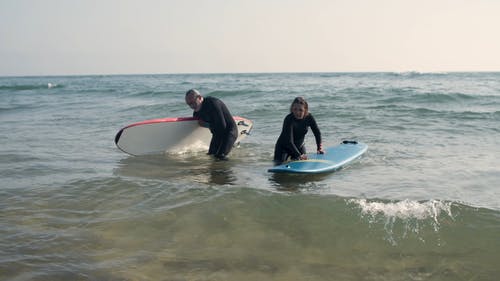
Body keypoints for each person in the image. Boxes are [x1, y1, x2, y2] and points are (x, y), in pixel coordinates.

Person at [185, 89, 237, 160]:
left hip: (229, 132)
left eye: (192, 103)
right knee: (211, 156)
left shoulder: (212, 103)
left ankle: (226, 170)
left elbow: (222, 126)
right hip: (217, 135)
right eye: (188, 104)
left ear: (199, 98)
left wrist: (206, 124)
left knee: (220, 157)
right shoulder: (197, 113)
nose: (191, 106)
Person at [273, 97, 324, 165]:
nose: (297, 112)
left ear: (305, 110)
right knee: (278, 167)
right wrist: (299, 155)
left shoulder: (309, 118)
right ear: (292, 109)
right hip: (283, 148)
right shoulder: (289, 119)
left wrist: (319, 148)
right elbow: (289, 141)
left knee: (302, 165)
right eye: (295, 109)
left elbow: (317, 133)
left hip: (299, 146)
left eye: (300, 110)